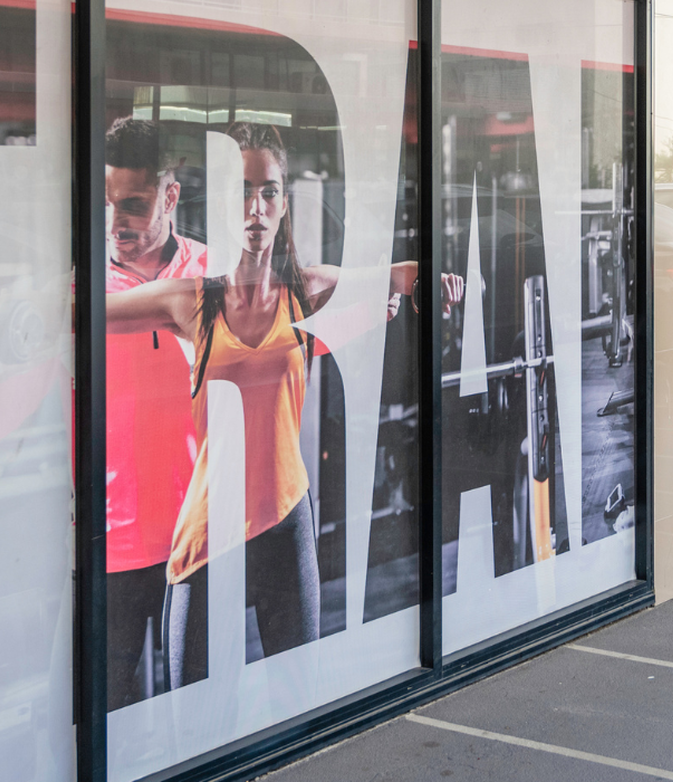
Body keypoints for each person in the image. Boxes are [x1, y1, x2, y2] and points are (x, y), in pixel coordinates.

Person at [106, 121, 461, 685]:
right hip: (211, 525)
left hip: (285, 516)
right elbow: (88, 312)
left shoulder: (306, 288)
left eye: (268, 192)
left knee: (298, 696)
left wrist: (435, 283)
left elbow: (397, 276)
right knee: (194, 712)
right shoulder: (190, 299)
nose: (256, 207)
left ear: (283, 203)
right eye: (243, 191)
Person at [103, 117, 208, 709]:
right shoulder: (78, 286)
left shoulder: (213, 272)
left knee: (199, 717)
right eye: (107, 202)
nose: (115, 221)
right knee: (105, 721)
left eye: (134, 205)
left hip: (196, 536)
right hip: (110, 542)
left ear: (170, 197)